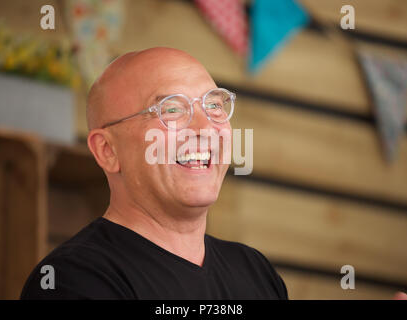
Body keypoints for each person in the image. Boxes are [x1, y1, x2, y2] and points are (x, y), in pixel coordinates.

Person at [20, 47, 288, 300]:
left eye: (214, 106)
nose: (205, 127)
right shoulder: (73, 281)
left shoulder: (256, 273)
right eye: (171, 110)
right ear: (107, 151)